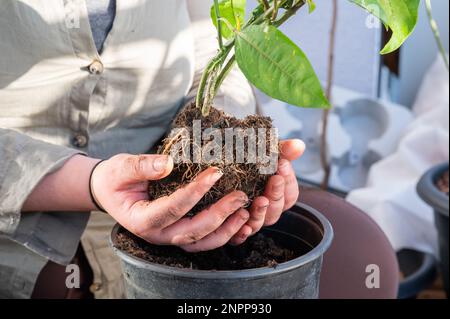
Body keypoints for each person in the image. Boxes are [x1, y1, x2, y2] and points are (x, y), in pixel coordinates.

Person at [0, 0, 304, 298]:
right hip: (19, 227)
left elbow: (211, 51)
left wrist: (223, 141)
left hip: (163, 194)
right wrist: (91, 181)